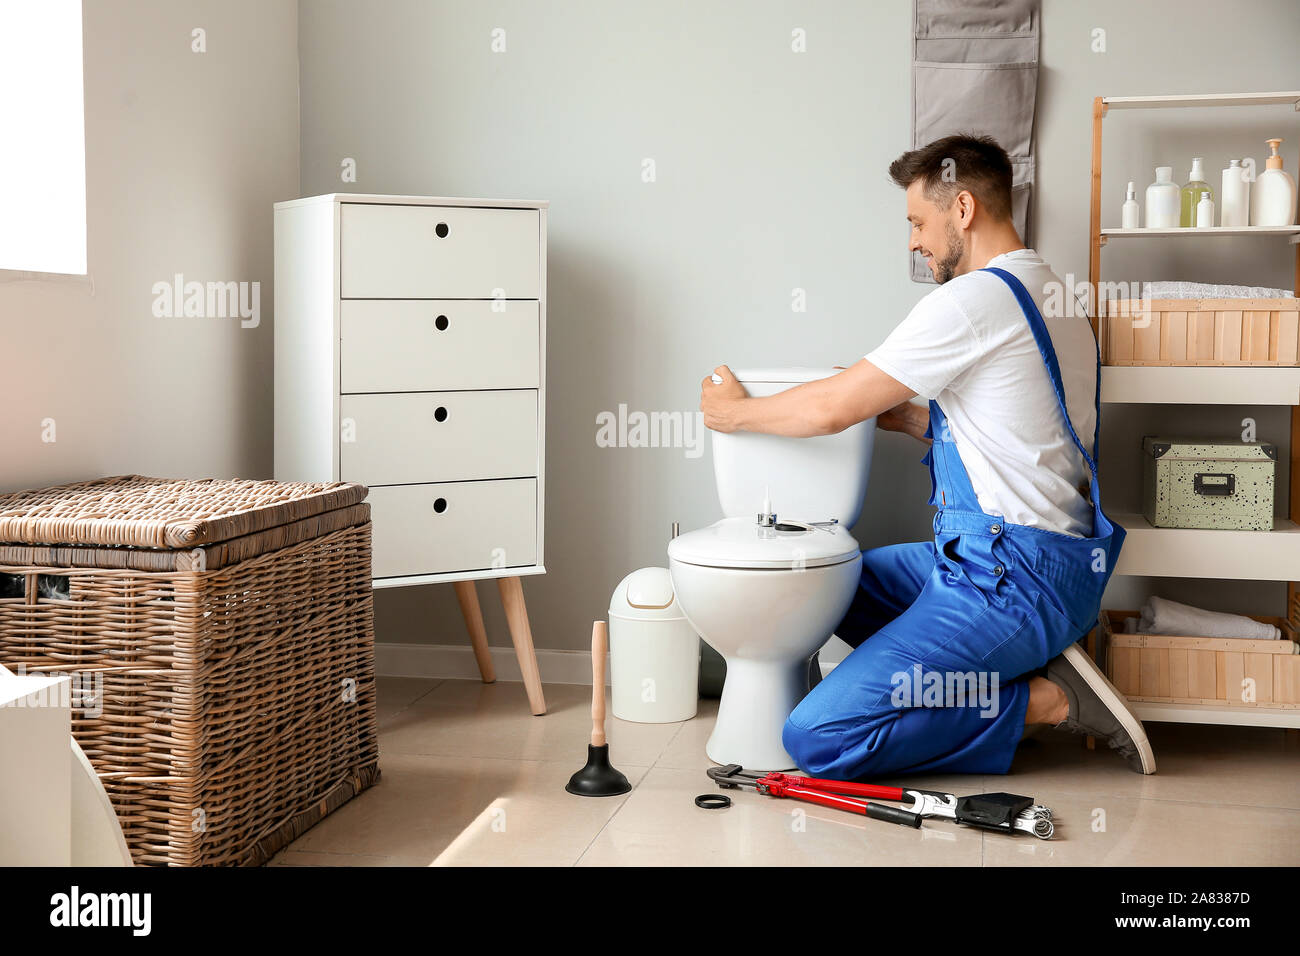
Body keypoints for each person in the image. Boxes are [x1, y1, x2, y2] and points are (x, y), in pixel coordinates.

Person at [698, 133, 1154, 777]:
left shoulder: (974, 300)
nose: (914, 241)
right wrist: (911, 419)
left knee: (816, 737)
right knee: (829, 587)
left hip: (1007, 580)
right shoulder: (1054, 295)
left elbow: (830, 407)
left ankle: (1045, 701)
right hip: (1032, 563)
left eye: (918, 222)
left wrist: (732, 415)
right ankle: (1009, 664)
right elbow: (1024, 436)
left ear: (962, 208)